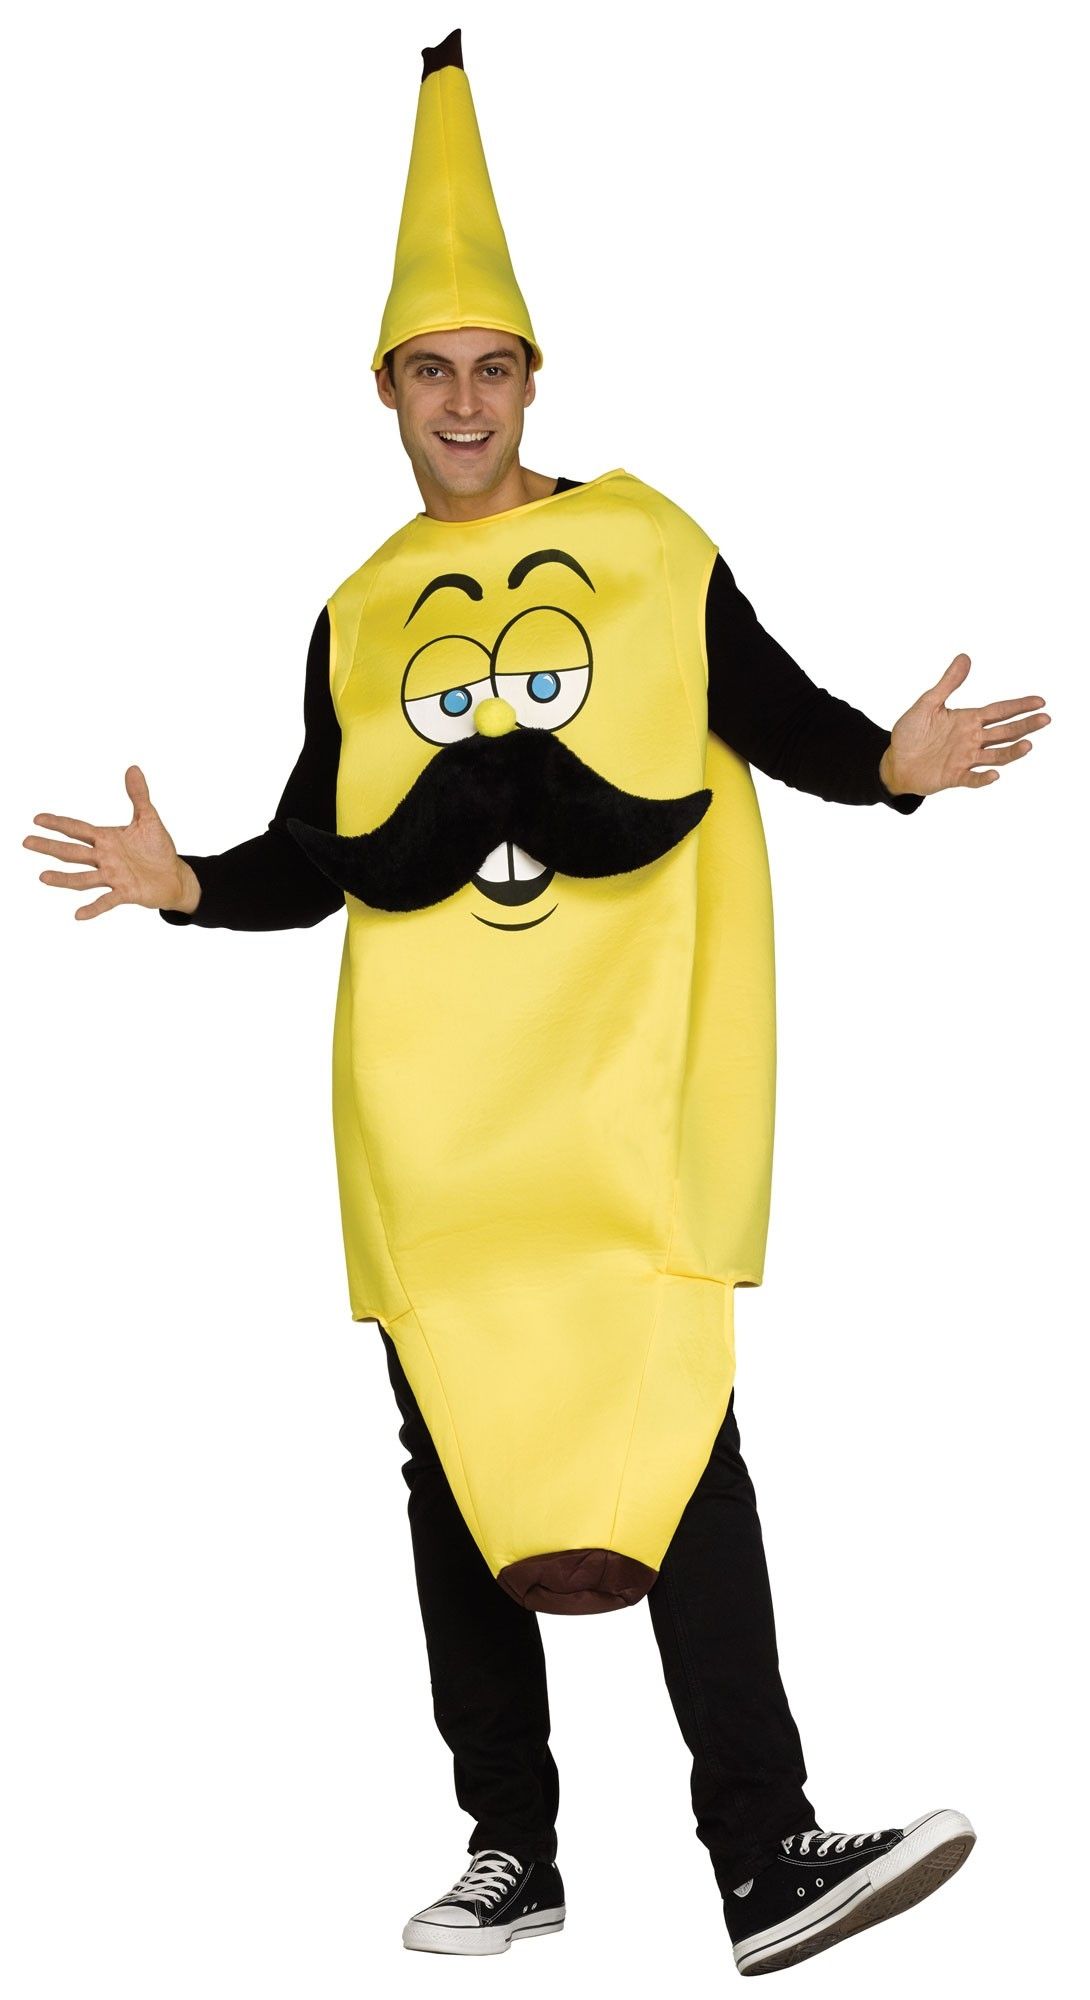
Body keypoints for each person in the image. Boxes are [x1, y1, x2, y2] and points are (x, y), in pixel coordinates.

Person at [24, 28, 1049, 1979]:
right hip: (434, 1129)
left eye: (492, 367)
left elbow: (782, 719)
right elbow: (319, 850)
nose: (464, 402)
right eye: (431, 370)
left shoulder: (648, 545)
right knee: (454, 1468)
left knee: (679, 1441)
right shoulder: (358, 612)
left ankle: (762, 1852)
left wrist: (887, 767)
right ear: (384, 389)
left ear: (531, 379)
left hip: (623, 1105)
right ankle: (512, 1849)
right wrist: (187, 886)